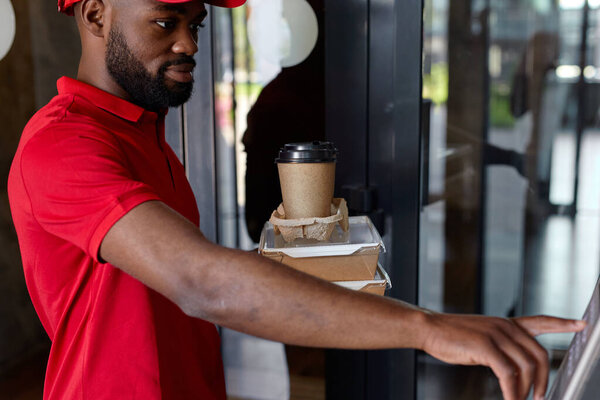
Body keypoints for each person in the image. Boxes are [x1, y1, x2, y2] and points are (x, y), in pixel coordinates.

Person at [7, 1, 585, 399]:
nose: (187, 42)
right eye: (164, 21)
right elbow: (201, 282)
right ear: (94, 15)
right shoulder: (64, 144)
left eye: (195, 24)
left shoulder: (143, 134)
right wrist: (427, 328)